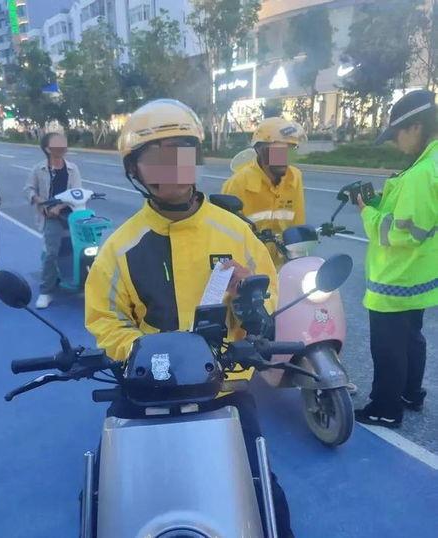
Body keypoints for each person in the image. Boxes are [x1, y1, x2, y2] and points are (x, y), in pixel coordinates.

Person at [85, 99, 293, 537]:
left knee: (264, 493)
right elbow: (104, 319)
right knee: (100, 496)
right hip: (146, 388)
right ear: (135, 169)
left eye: (181, 152)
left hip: (223, 385)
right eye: (155, 156)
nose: (171, 166)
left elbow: (268, 295)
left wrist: (251, 301)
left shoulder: (235, 232)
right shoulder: (120, 247)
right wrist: (141, 353)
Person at [355, 89, 438, 428]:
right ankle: (409, 394)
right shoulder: (430, 164)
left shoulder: (421, 174)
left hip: (396, 278)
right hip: (419, 276)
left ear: (415, 127)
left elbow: (403, 233)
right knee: (411, 339)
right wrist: (382, 201)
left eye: (396, 135)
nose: (395, 143)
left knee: (389, 347)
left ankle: (385, 409)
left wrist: (366, 212)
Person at [221, 117, 307, 267]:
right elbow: (224, 235)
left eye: (289, 150)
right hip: (248, 267)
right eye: (278, 151)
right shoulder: (237, 184)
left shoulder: (294, 177)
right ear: (259, 150)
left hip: (282, 265)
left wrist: (299, 258)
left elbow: (297, 223)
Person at [24, 133, 82, 309]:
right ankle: (46, 291)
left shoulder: (72, 169)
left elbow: (77, 191)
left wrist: (60, 206)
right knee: (51, 252)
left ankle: (83, 281)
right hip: (50, 216)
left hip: (71, 214)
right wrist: (40, 201)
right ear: (48, 149)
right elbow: (28, 189)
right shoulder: (39, 169)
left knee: (82, 249)